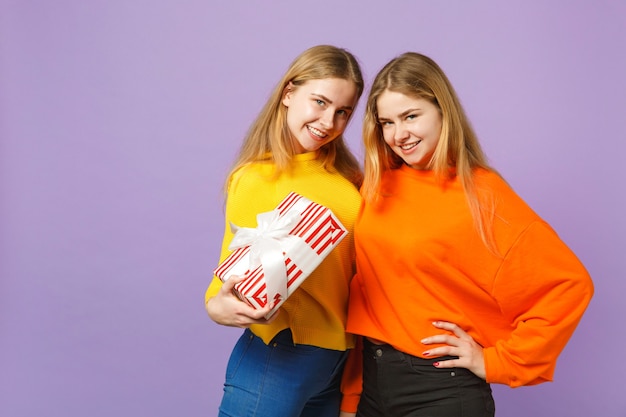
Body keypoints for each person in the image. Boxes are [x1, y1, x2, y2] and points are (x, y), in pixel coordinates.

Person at [339, 52, 594, 417]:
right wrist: (352, 398)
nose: (399, 134)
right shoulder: (376, 187)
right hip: (373, 383)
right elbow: (365, 294)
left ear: (442, 110)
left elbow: (569, 285)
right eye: (387, 122)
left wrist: (496, 361)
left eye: (411, 116)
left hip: (441, 390)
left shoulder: (481, 193)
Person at [205, 45, 365, 417]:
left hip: (338, 363)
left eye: (343, 112)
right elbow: (229, 274)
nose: (329, 121)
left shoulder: (350, 180)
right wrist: (218, 307)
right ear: (289, 93)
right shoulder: (255, 178)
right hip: (277, 355)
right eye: (320, 102)